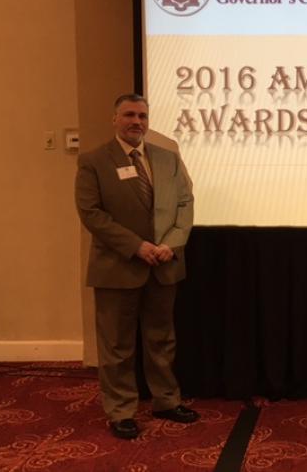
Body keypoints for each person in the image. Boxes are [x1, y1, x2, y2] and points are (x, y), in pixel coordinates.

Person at [75, 93, 198, 439]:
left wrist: (170, 244)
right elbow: (91, 214)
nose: (136, 122)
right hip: (118, 266)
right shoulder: (94, 161)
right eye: (129, 115)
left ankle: (166, 400)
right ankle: (121, 410)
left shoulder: (167, 158)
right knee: (117, 345)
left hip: (164, 264)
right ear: (114, 119)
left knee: (162, 339)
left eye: (142, 116)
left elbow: (186, 203)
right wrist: (136, 246)